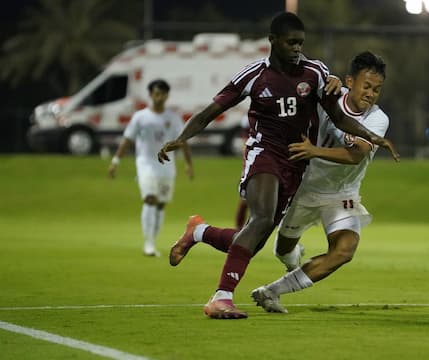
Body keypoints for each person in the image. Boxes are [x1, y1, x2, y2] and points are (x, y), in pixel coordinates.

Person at [158, 12, 399, 320]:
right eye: (291, 43)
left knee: (258, 237)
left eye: (301, 43)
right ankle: (222, 293)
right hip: (274, 159)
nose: (298, 48)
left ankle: (201, 234)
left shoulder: (317, 75)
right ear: (273, 41)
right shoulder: (262, 76)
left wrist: (373, 137)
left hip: (315, 177)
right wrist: (182, 138)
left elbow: (345, 131)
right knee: (261, 227)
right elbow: (210, 111)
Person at [250, 51, 389, 313]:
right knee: (283, 249)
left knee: (344, 250)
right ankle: (292, 259)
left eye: (377, 90)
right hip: (303, 188)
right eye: (366, 86)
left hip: (341, 193)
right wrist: (327, 79)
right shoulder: (328, 97)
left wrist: (314, 150)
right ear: (350, 81)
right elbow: (301, 79)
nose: (371, 94)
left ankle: (271, 291)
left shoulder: (378, 119)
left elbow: (356, 155)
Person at [108, 79, 193, 257]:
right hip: (145, 163)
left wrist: (188, 164)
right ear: (150, 95)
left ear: (167, 95)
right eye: (155, 93)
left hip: (166, 166)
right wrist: (115, 161)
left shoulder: (173, 118)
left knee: (161, 204)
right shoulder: (140, 117)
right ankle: (148, 243)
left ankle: (153, 240)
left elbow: (182, 140)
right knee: (150, 198)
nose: (158, 97)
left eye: (162, 93)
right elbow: (127, 139)